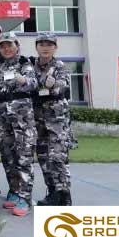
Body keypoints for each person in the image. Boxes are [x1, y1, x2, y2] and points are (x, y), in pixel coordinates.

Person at [0, 32, 38, 217]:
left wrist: (23, 79)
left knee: (24, 158)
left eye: (9, 45)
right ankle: (15, 191)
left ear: (17, 46)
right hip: (3, 119)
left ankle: (25, 198)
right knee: (9, 158)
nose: (6, 49)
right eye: (3, 46)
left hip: (22, 120)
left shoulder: (25, 64)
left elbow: (34, 83)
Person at [31, 32, 75, 207]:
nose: (45, 48)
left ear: (55, 47)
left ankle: (64, 195)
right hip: (38, 119)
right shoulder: (31, 66)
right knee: (43, 157)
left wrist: (54, 84)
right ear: (36, 47)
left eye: (49, 44)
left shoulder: (59, 66)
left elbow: (63, 84)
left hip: (57, 120)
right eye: (41, 44)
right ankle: (52, 192)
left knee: (57, 157)